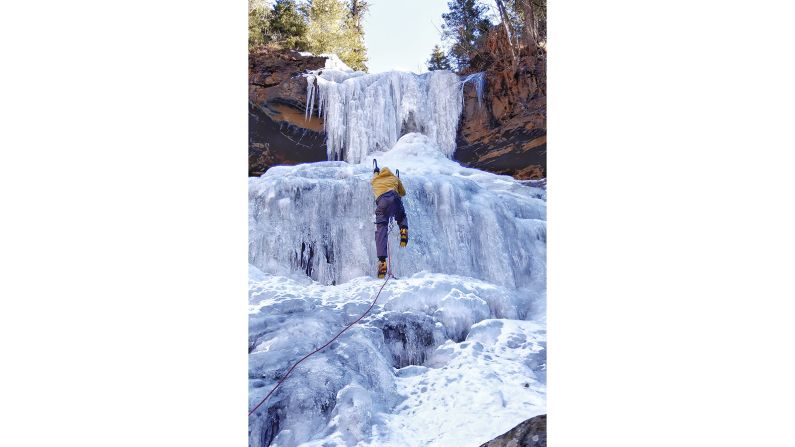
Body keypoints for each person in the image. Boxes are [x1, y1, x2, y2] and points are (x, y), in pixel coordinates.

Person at [370, 163, 409, 278]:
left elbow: (375, 177)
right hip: (395, 197)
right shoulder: (394, 178)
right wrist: (397, 183)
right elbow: (403, 193)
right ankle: (403, 230)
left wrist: (376, 172)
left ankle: (382, 261)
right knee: (401, 216)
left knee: (381, 229)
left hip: (382, 203)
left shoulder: (375, 180)